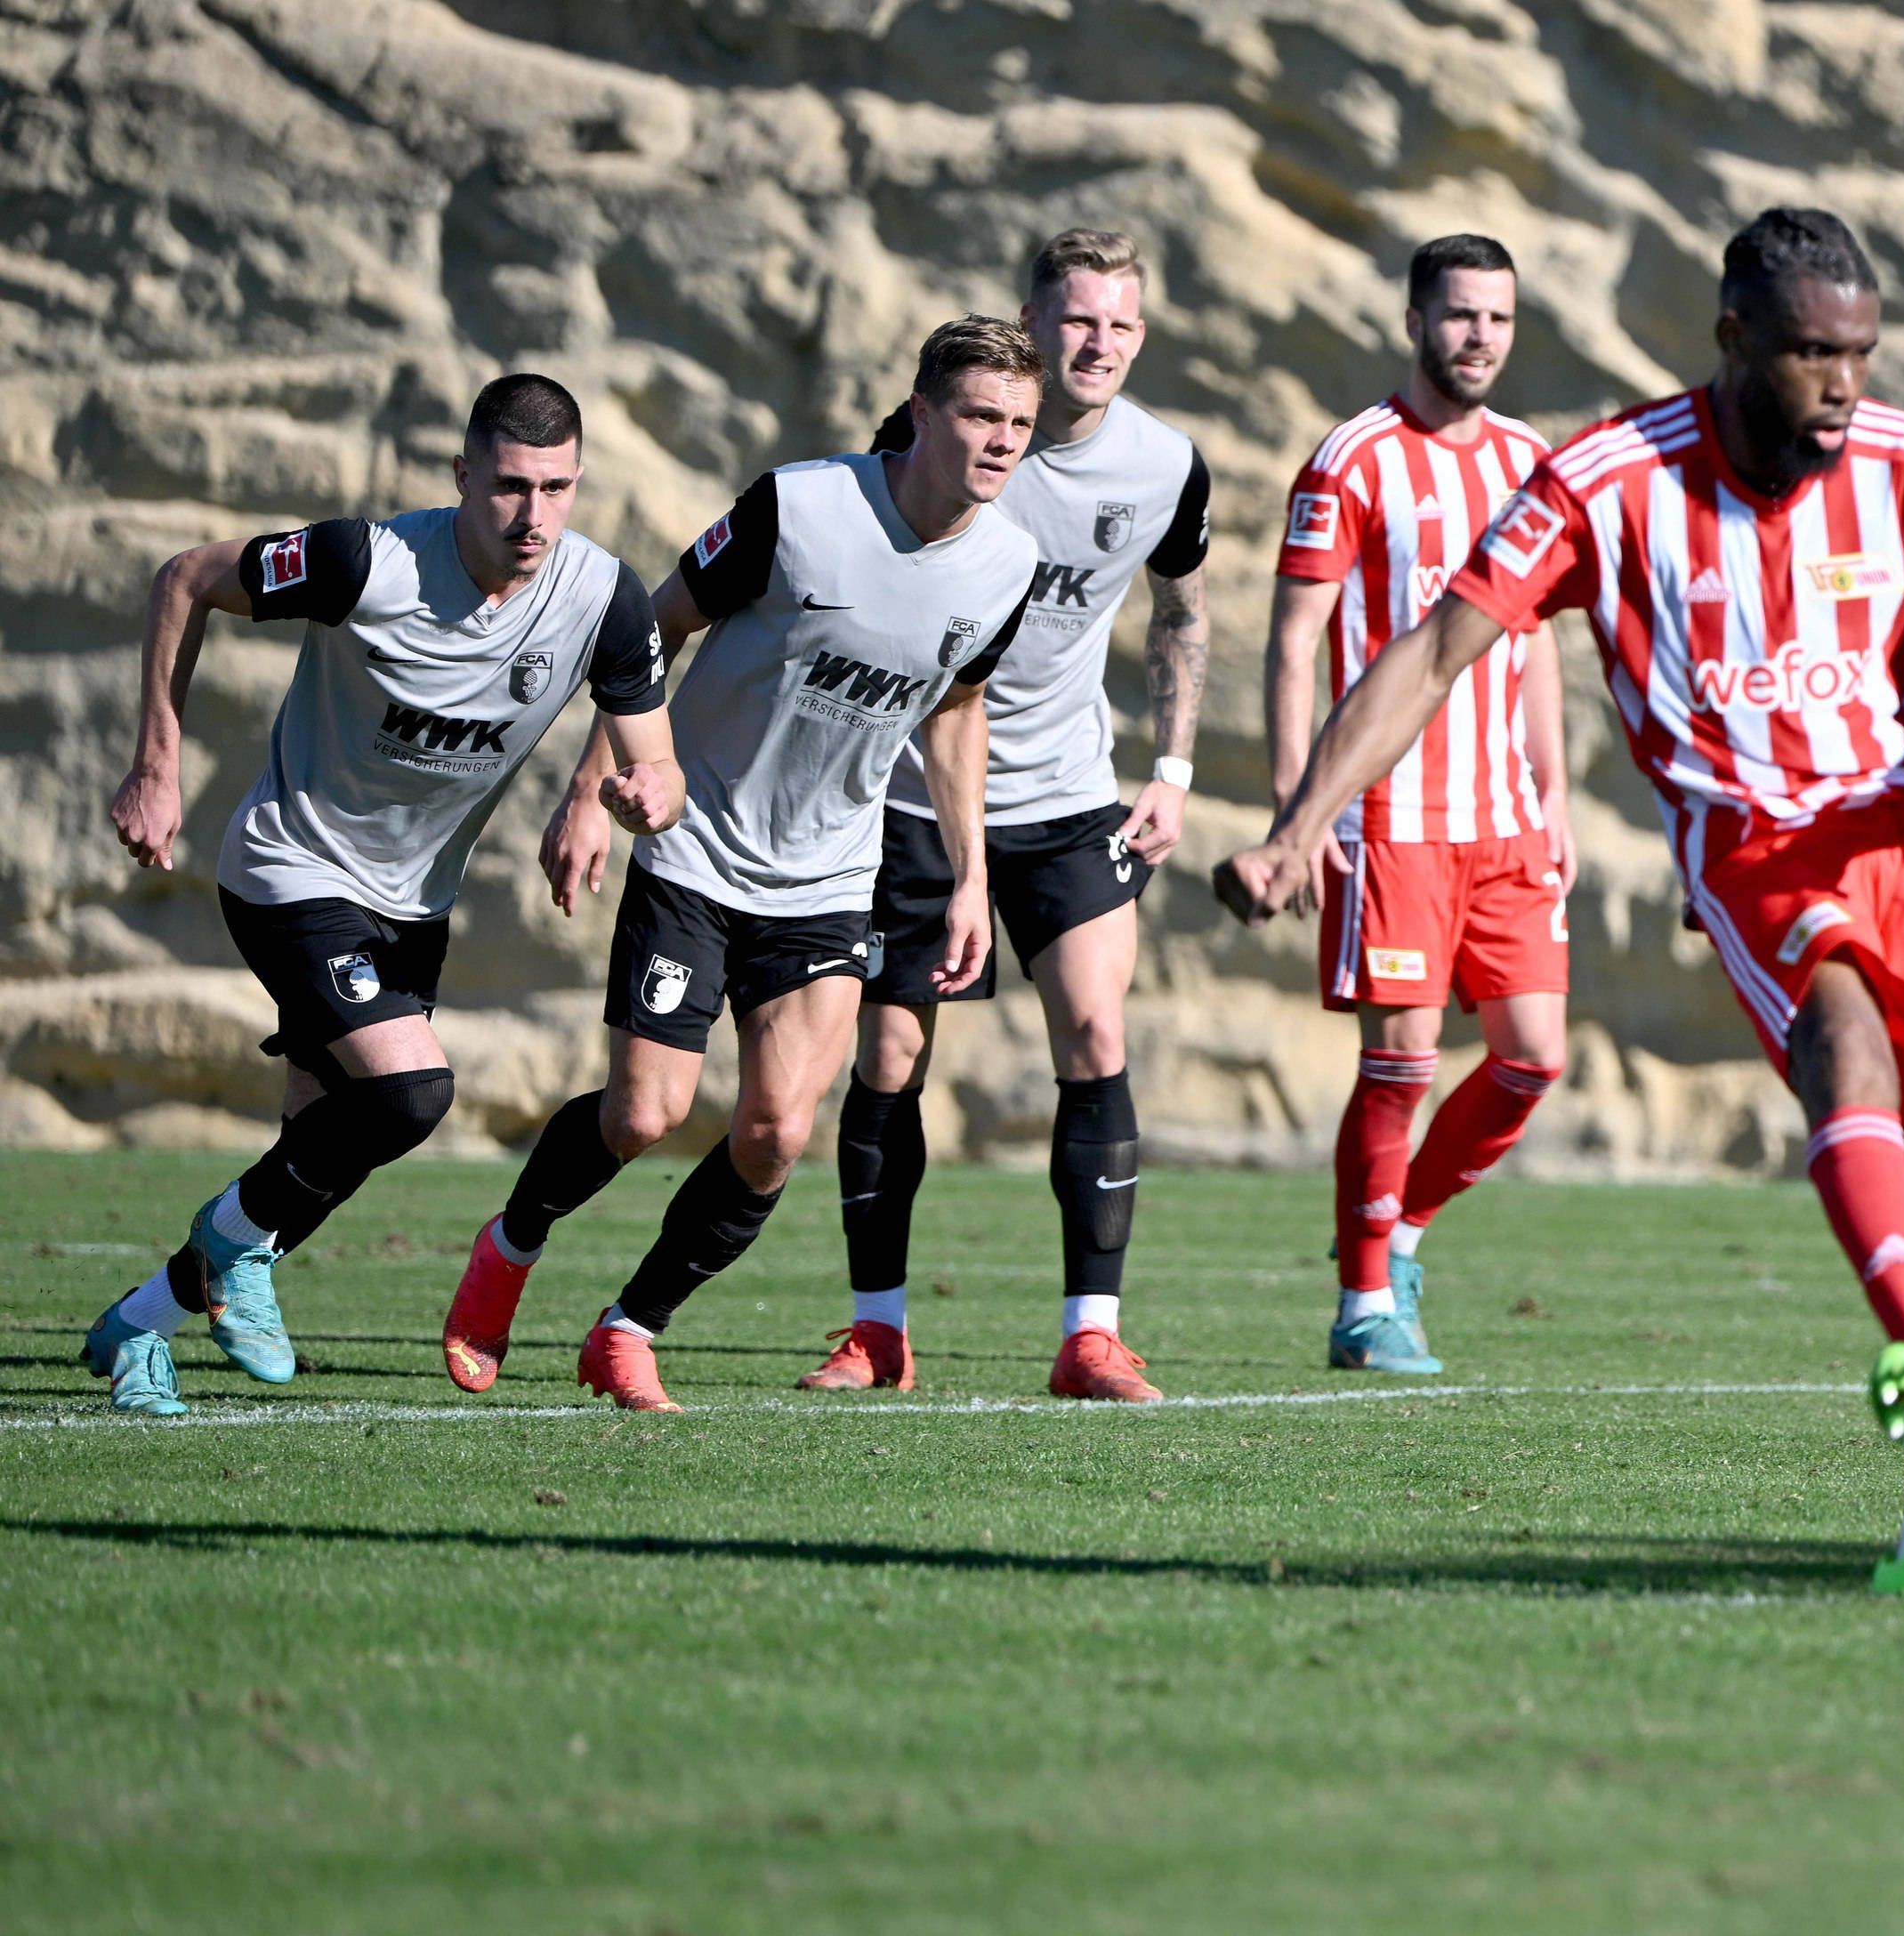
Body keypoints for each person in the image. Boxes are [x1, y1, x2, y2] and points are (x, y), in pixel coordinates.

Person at [1218, 207, 1904, 1600]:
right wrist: (1298, 830)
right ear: (1733, 341)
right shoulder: (1605, 481)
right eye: (1813, 354)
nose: (1842, 385)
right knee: (1846, 1042)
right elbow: (1432, 651)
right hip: (1757, 843)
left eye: (1862, 355)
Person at [440, 319, 1044, 1412]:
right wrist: (588, 791)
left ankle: (627, 1330)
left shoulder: (1009, 565)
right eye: (978, 415)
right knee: (645, 1115)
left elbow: (956, 708)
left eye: (1018, 424)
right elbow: (650, 634)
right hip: (695, 846)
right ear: (920, 412)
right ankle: (511, 1246)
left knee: (774, 1133)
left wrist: (971, 874)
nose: (1000, 442)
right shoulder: (803, 509)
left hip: (828, 877)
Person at [85, 374, 681, 1416]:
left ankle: (138, 1326)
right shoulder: (368, 561)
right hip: (291, 869)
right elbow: (185, 578)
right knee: (408, 1095)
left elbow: (658, 766)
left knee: (319, 1154)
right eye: (507, 487)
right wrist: (156, 764)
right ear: (462, 476)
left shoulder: (605, 597)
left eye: (557, 488)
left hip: (414, 907)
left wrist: (631, 799)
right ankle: (226, 1250)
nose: (532, 514)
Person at [807, 231, 1214, 1404]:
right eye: (1079, 320)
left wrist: (1173, 769)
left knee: (1094, 1033)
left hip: (1072, 797)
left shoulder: (1167, 466)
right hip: (918, 798)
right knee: (891, 1055)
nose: (1101, 345)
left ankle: (1093, 1337)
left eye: (1123, 325)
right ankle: (876, 1329)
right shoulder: (949, 435)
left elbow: (1181, 617)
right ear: (1031, 322)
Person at [1266, 233, 1573, 1375]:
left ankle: (1402, 1231)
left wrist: (1555, 796)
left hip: (1503, 821)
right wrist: (1302, 815)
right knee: (1399, 1062)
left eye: (1496, 317)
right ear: (1414, 321)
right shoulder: (1351, 460)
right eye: (1458, 315)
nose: (1478, 336)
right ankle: (1360, 1303)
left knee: (1531, 1057)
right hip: (1389, 818)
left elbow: (1533, 645)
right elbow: (1295, 643)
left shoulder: (1534, 462)